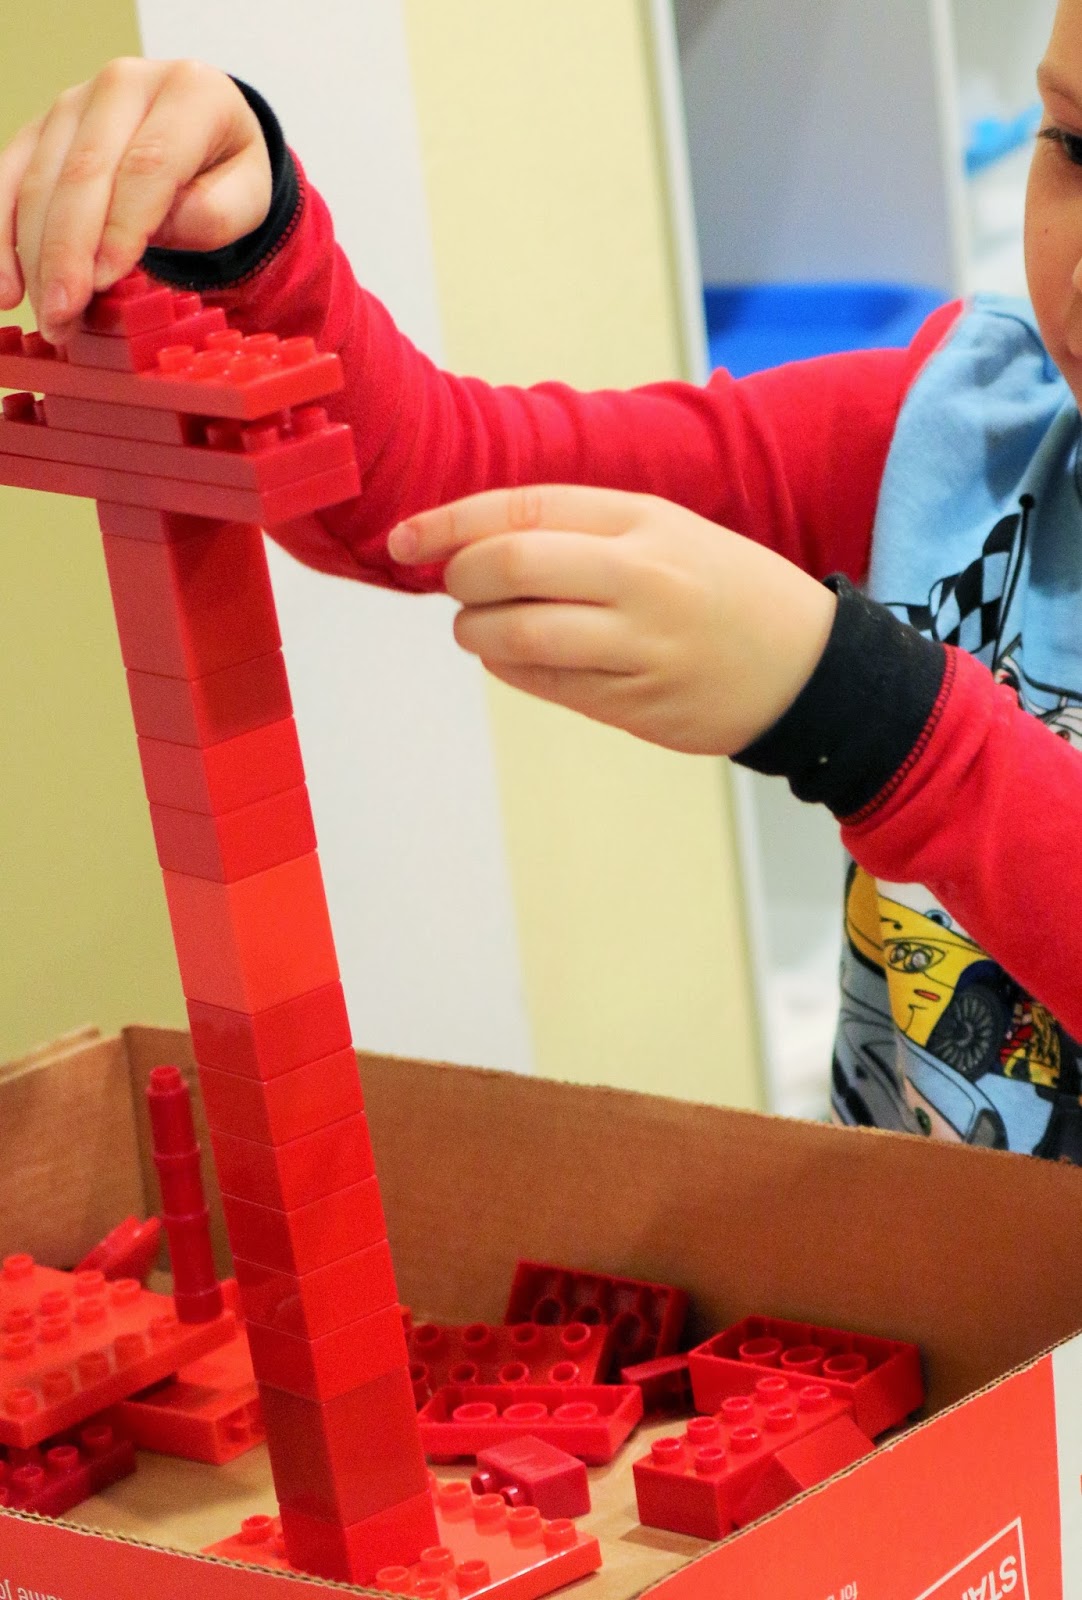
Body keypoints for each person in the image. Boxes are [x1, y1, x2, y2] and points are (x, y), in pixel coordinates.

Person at [2, 10, 1082, 1158]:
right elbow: (433, 483)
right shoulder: (956, 433)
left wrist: (862, 711)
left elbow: (897, 732)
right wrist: (249, 241)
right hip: (961, 1281)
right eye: (1071, 148)